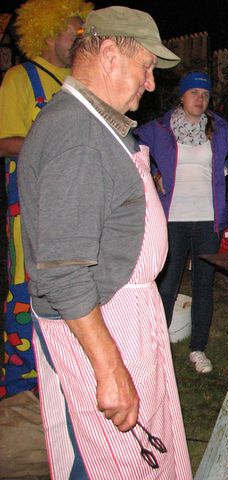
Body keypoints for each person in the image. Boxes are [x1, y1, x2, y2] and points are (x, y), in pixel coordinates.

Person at [17, 6, 192, 477]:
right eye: (146, 67)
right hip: (99, 323)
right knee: (108, 462)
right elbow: (63, 272)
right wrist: (109, 368)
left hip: (122, 315)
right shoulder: (77, 134)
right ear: (110, 54)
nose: (151, 84)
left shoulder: (97, 124)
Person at [135, 71, 228, 374]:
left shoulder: (218, 128)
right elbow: (131, 142)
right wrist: (152, 172)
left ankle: (198, 349)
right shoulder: (160, 128)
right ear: (182, 96)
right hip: (172, 220)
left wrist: (227, 167)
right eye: (194, 93)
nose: (200, 99)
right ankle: (157, 349)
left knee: (204, 286)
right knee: (167, 285)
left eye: (205, 95)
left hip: (208, 221)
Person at [0, 0, 92, 401]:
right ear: (49, 33)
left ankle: (66, 379)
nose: (81, 40)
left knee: (74, 287)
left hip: (78, 204)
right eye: (75, 32)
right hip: (32, 209)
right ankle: (22, 389)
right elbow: (3, 140)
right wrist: (53, 142)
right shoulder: (20, 79)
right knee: (28, 286)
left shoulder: (82, 81)